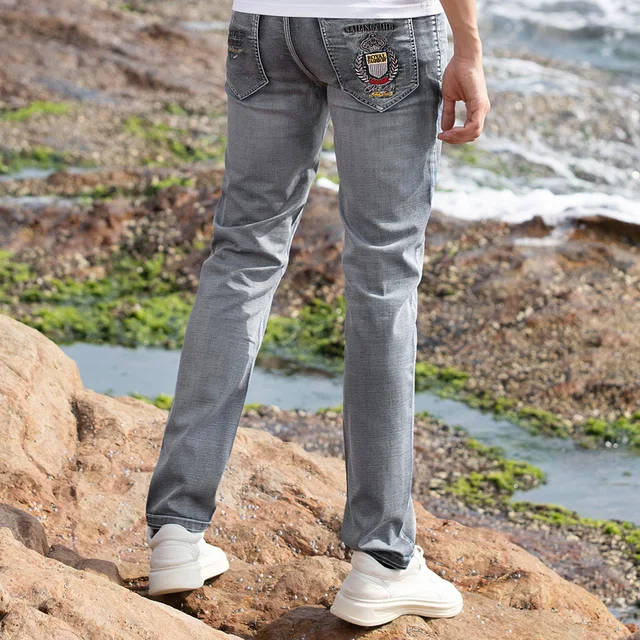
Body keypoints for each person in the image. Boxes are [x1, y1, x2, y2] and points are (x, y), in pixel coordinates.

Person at [144, 0, 490, 627]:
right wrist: (468, 47)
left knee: (242, 254)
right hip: (382, 24)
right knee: (383, 275)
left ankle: (175, 531)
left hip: (265, 23)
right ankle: (383, 558)